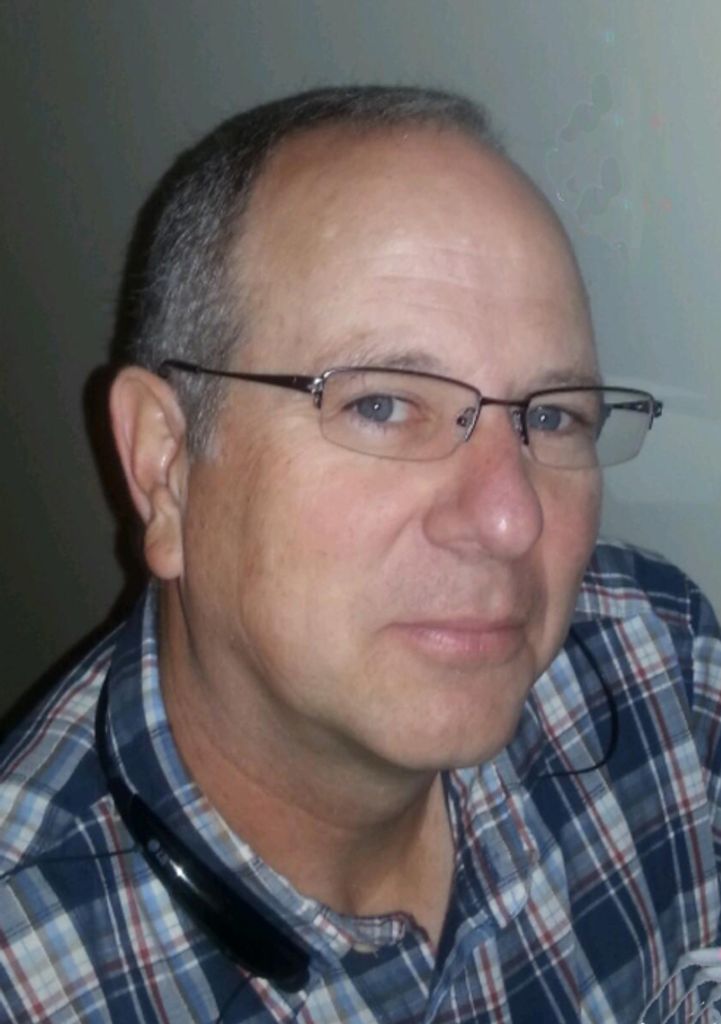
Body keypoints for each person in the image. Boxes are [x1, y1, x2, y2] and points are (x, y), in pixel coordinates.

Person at [0, 85, 719, 1024]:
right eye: (382, 404)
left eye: (551, 417)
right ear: (166, 467)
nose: (510, 520)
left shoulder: (657, 660)